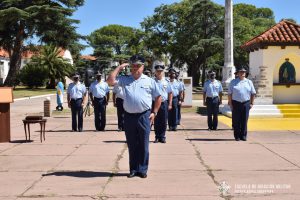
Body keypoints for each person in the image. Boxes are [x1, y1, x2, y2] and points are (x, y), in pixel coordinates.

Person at [107, 55, 162, 179]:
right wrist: (119, 67)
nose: (135, 68)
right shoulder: (124, 79)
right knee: (132, 144)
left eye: (138, 66)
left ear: (143, 67)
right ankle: (133, 169)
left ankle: (142, 169)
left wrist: (155, 112)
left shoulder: (149, 81)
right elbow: (110, 81)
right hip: (129, 117)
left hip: (144, 116)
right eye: (133, 66)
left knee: (143, 144)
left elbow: (158, 97)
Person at [228, 66, 256, 141]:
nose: (242, 73)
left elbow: (253, 93)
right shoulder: (233, 82)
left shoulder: (249, 82)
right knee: (236, 120)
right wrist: (230, 104)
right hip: (236, 103)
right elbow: (230, 94)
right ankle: (237, 136)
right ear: (237, 73)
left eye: (244, 72)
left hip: (246, 103)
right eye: (241, 72)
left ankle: (243, 135)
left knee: (244, 120)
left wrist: (252, 103)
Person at [153, 63, 173, 143]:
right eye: (158, 71)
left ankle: (162, 136)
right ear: (155, 72)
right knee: (156, 120)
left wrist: (170, 104)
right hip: (154, 103)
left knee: (164, 120)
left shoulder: (166, 81)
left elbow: (170, 93)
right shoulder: (152, 81)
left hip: (164, 103)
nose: (159, 72)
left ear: (163, 72)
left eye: (161, 71)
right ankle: (157, 136)